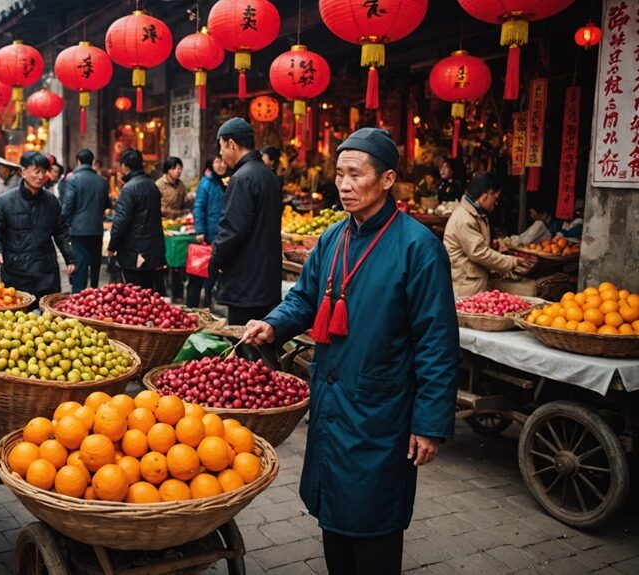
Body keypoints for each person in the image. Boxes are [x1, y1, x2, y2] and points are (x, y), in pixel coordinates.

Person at [242, 128, 458, 575]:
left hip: (382, 409)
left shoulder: (418, 248)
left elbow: (437, 341)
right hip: (332, 399)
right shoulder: (333, 238)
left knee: (374, 526)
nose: (343, 184)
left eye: (355, 174)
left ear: (386, 179)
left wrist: (430, 423)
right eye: (339, 174)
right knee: (334, 522)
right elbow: (304, 297)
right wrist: (273, 324)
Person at [210, 117, 283, 325]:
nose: (221, 154)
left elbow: (232, 230)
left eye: (222, 147)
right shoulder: (269, 176)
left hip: (245, 280)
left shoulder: (242, 178)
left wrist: (216, 261)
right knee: (261, 340)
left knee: (244, 344)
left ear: (231, 144)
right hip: (266, 277)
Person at [0, 152, 75, 299]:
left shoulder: (51, 201)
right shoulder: (5, 201)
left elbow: (61, 232)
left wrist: (70, 258)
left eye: (44, 172)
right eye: (37, 171)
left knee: (47, 318)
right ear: (23, 172)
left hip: (45, 272)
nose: (41, 177)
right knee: (16, 317)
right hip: (15, 272)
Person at [443, 173, 532, 299]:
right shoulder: (464, 219)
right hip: (465, 287)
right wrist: (512, 261)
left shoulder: (476, 214)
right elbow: (479, 253)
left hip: (473, 280)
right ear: (485, 195)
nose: (495, 203)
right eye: (495, 197)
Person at [108, 148, 166, 293]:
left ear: (124, 166)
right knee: (147, 294)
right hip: (151, 250)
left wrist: (112, 246)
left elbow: (120, 222)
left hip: (133, 252)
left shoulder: (129, 189)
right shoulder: (152, 185)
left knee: (133, 296)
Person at [61, 149, 110, 292]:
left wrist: (65, 224)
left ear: (78, 161)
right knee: (96, 263)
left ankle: (78, 295)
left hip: (78, 229)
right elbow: (107, 204)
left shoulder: (73, 180)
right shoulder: (102, 181)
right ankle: (94, 294)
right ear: (92, 162)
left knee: (81, 263)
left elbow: (68, 205)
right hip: (96, 228)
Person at [186, 155, 227, 308]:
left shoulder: (227, 182)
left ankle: (208, 304)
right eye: (217, 162)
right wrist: (200, 230)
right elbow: (199, 207)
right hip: (208, 234)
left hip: (222, 234)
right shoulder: (205, 183)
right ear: (211, 164)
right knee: (199, 271)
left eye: (224, 162)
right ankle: (192, 306)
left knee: (214, 272)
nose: (222, 165)